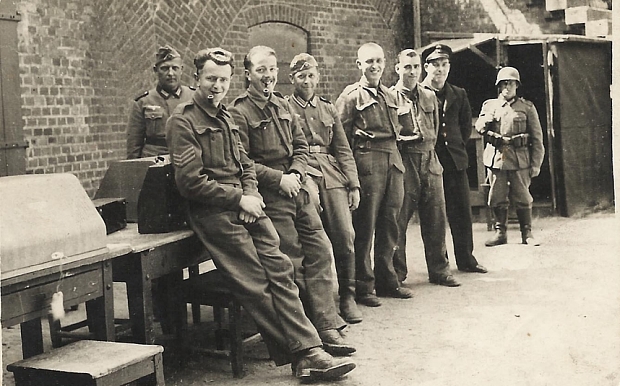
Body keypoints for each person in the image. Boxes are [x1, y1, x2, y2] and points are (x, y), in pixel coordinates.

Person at [166, 47, 355, 382]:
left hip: (248, 205)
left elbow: (244, 165)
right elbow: (190, 182)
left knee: (281, 268)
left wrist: (251, 193)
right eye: (211, 79)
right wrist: (240, 199)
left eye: (223, 80)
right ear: (196, 78)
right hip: (214, 212)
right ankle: (305, 353)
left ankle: (309, 349)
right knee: (255, 279)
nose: (217, 86)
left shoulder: (224, 116)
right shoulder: (183, 120)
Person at [229, 46, 355, 356]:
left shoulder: (284, 105)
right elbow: (242, 161)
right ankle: (308, 334)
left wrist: (297, 173)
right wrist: (279, 179)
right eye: (261, 70)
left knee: (321, 250)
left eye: (272, 69)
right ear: (248, 74)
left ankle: (327, 325)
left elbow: (300, 145)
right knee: (293, 259)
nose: (268, 76)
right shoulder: (239, 111)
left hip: (297, 189)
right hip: (271, 196)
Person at [286, 53, 363, 324]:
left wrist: (353, 184)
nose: (307, 81)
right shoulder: (285, 108)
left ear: (318, 77)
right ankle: (316, 304)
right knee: (312, 243)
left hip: (331, 174)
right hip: (304, 171)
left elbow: (342, 149)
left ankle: (348, 297)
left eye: (311, 76)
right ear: (291, 79)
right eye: (301, 76)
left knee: (345, 235)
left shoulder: (328, 108)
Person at [335, 42, 413, 307]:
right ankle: (363, 286)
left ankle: (388, 280)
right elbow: (340, 141)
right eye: (369, 61)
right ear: (359, 65)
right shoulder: (350, 97)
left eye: (379, 61)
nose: (375, 66)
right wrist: (349, 179)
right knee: (365, 227)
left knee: (391, 223)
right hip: (367, 165)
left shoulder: (391, 96)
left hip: (393, 161)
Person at [391, 49, 460, 288]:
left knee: (436, 218)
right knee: (398, 221)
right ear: (397, 68)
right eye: (407, 67)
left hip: (430, 162)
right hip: (405, 162)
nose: (412, 71)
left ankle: (440, 270)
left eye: (416, 67)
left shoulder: (429, 96)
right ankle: (396, 274)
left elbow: (435, 129)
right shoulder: (390, 98)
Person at [420, 44, 487, 275]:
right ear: (426, 67)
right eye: (435, 65)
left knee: (461, 212)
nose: (440, 70)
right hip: (430, 161)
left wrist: (455, 148)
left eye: (444, 64)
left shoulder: (458, 93)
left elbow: (465, 127)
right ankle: (440, 265)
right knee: (435, 216)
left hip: (455, 161)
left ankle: (467, 259)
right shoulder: (420, 93)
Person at [474, 66, 545, 246]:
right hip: (497, 158)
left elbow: (537, 138)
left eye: (511, 83)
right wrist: (488, 118)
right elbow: (479, 127)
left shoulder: (527, 107)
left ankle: (526, 233)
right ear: (499, 86)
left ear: (517, 85)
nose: (507, 87)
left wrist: (536, 164)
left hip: (520, 159)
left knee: (522, 196)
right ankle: (500, 233)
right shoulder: (490, 105)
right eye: (504, 83)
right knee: (497, 196)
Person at [127, 45, 195, 159]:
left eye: (175, 68)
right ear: (155, 70)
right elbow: (134, 145)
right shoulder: (143, 101)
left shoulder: (194, 97)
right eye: (165, 68)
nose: (170, 73)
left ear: (182, 70)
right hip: (155, 161)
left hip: (188, 158)